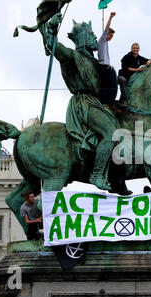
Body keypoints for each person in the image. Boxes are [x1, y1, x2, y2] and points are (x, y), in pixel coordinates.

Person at [42, 13, 118, 191]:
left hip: (97, 102)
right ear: (82, 37)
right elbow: (53, 46)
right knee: (111, 133)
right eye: (90, 35)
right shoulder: (72, 56)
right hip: (83, 103)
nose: (93, 37)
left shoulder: (94, 61)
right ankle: (97, 173)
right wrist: (51, 29)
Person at [98, 12, 118, 109]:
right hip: (102, 66)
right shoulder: (102, 40)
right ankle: (106, 103)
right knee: (106, 85)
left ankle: (111, 102)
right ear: (107, 34)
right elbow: (106, 28)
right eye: (111, 35)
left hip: (106, 65)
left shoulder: (106, 43)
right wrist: (110, 17)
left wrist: (109, 64)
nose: (111, 37)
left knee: (114, 82)